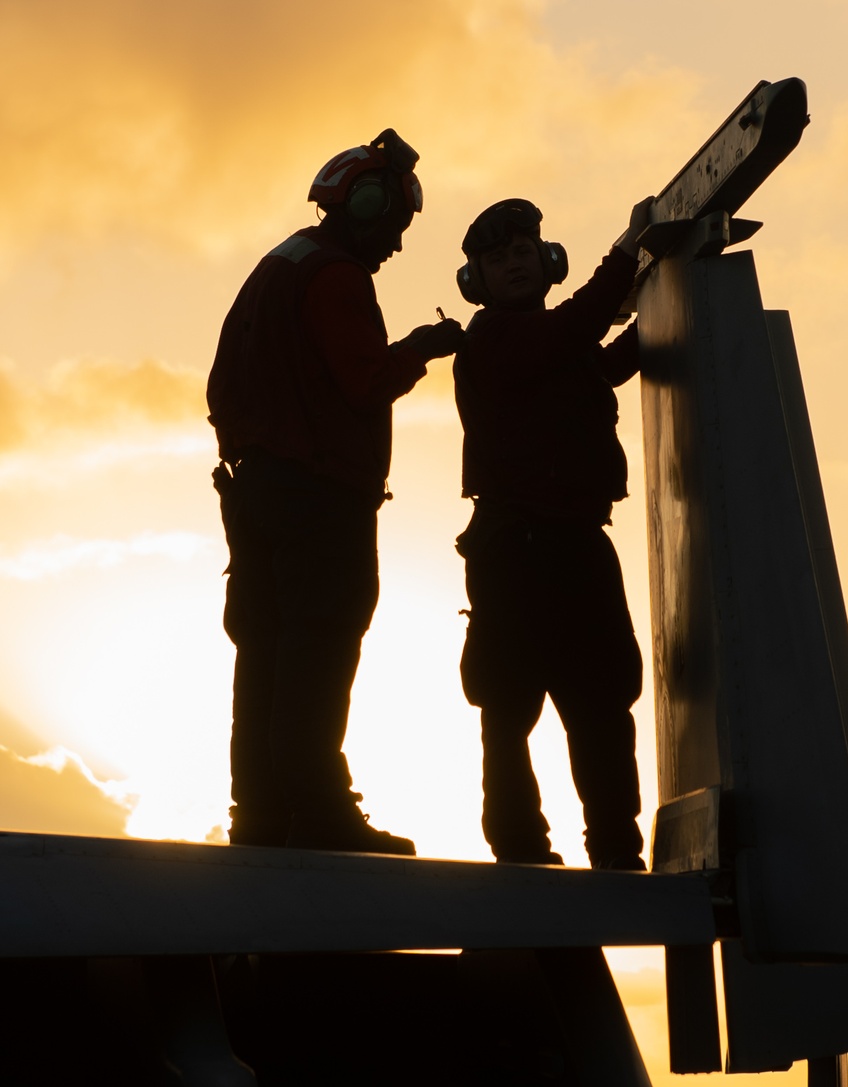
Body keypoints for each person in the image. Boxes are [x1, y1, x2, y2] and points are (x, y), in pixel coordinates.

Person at [207, 129, 462, 852]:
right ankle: (319, 812)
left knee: (263, 650)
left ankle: (259, 817)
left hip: (256, 494)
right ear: (368, 205)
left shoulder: (279, 264)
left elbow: (224, 385)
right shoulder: (338, 276)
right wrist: (423, 347)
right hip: (318, 498)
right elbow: (366, 382)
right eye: (395, 224)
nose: (398, 244)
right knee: (318, 644)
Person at [453, 195, 652, 870]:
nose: (513, 264)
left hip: (576, 543)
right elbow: (573, 334)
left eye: (521, 252)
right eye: (497, 258)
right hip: (518, 551)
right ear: (476, 280)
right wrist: (628, 254)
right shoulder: (494, 339)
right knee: (508, 709)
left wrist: (664, 300)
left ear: (546, 262)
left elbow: (603, 363)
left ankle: (618, 852)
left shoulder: (556, 345)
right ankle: (521, 852)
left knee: (602, 705)